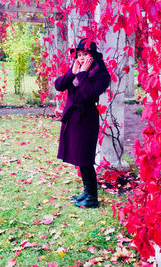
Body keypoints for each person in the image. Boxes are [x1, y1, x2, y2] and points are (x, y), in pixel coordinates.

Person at [55, 38, 111, 208]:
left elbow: (89, 94)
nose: (81, 58)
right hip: (73, 119)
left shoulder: (102, 75)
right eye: (79, 54)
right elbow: (59, 85)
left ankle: (92, 199)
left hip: (86, 119)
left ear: (93, 56)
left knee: (85, 158)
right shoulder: (76, 68)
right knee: (80, 158)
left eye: (85, 54)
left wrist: (82, 73)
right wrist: (73, 73)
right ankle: (87, 193)